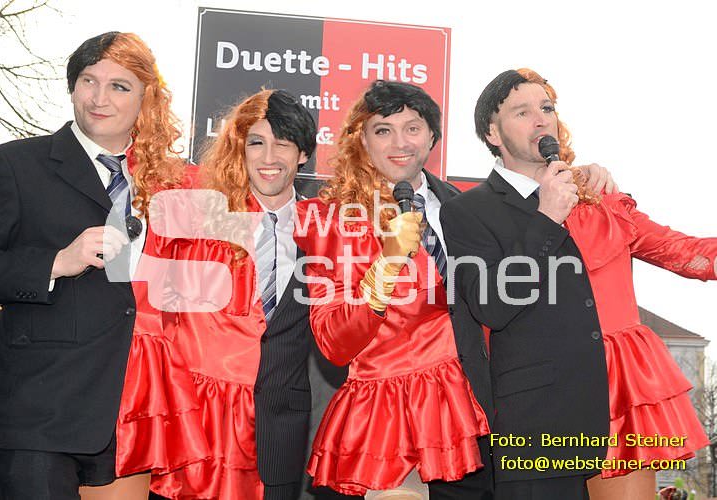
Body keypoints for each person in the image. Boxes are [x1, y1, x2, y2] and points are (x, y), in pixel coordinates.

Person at [441, 68, 715, 500]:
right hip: (537, 421)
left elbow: (682, 251)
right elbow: (491, 306)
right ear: (493, 133)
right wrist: (547, 216)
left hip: (620, 399)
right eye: (522, 112)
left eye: (546, 108)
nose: (541, 119)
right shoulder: (466, 211)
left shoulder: (599, 198)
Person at [0, 31, 181, 499]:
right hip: (39, 417)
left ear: (146, 98)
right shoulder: (15, 164)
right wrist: (55, 262)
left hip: (134, 416)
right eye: (89, 80)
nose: (100, 98)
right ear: (72, 87)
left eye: (119, 86)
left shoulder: (168, 181)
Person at [115, 89, 318, 500]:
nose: (268, 157)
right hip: (190, 429)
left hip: (276, 437)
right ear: (239, 148)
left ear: (303, 154)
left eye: (283, 143)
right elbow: (140, 161)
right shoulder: (199, 211)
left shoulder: (324, 228)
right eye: (256, 142)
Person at [294, 80, 491, 499]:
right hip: (391, 417)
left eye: (412, 128)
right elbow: (333, 342)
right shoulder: (334, 219)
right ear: (363, 141)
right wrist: (387, 263)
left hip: (473, 414)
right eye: (383, 130)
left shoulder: (467, 207)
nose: (400, 143)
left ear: (432, 136)